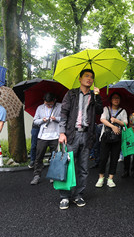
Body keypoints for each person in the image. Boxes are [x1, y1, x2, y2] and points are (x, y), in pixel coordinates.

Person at [58, 69, 103, 210]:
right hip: (71, 134)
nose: (89, 79)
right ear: (80, 78)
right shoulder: (71, 93)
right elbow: (63, 113)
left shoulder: (94, 95)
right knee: (67, 166)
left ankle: (78, 195)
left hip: (87, 135)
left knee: (83, 168)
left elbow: (99, 112)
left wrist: (97, 97)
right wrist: (61, 132)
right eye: (86, 76)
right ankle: (64, 196)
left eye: (91, 77)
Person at [96, 92, 128, 188]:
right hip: (106, 137)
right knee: (103, 158)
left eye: (118, 98)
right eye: (114, 98)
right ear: (110, 100)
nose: (116, 100)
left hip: (117, 138)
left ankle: (110, 178)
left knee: (114, 158)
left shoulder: (123, 111)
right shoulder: (106, 109)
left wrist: (117, 121)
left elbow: (125, 122)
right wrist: (113, 126)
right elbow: (102, 119)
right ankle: (101, 178)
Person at [30, 93, 62, 185]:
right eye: (46, 103)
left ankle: (54, 175)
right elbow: (35, 121)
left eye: (50, 104)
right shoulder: (40, 108)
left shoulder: (60, 106)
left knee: (56, 157)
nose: (48, 105)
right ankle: (37, 175)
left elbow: (64, 119)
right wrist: (42, 120)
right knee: (39, 156)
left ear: (54, 100)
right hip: (43, 136)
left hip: (55, 135)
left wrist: (56, 118)